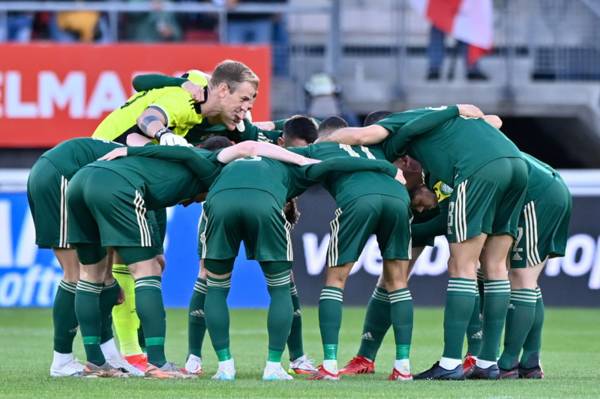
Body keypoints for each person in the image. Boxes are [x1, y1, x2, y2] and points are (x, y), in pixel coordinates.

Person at [66, 139, 315, 378]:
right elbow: (233, 148)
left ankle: (95, 361)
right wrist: (303, 160)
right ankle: (157, 363)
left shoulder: (165, 176)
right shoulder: (211, 164)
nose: (193, 204)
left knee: (90, 275)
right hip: (115, 184)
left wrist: (132, 152)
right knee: (146, 270)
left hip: (79, 181)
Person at [321, 104, 528, 380]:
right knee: (495, 266)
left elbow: (356, 137)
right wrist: (455, 111)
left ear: (403, 157)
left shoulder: (401, 127)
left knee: (460, 266)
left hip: (478, 172)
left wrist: (320, 146)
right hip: (516, 165)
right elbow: (493, 120)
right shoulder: (436, 138)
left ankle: (451, 363)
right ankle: (488, 362)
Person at [199, 137, 405, 381]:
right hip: (264, 203)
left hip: (219, 202)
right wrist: (388, 168)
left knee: (216, 286)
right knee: (279, 287)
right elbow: (338, 163)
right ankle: (273, 366)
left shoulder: (226, 162)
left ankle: (225, 367)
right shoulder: (297, 167)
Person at [27, 137, 152, 378]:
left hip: (75, 181)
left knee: (103, 277)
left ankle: (109, 357)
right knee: (77, 276)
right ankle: (62, 361)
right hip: (59, 177)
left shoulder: (146, 164)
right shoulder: (150, 169)